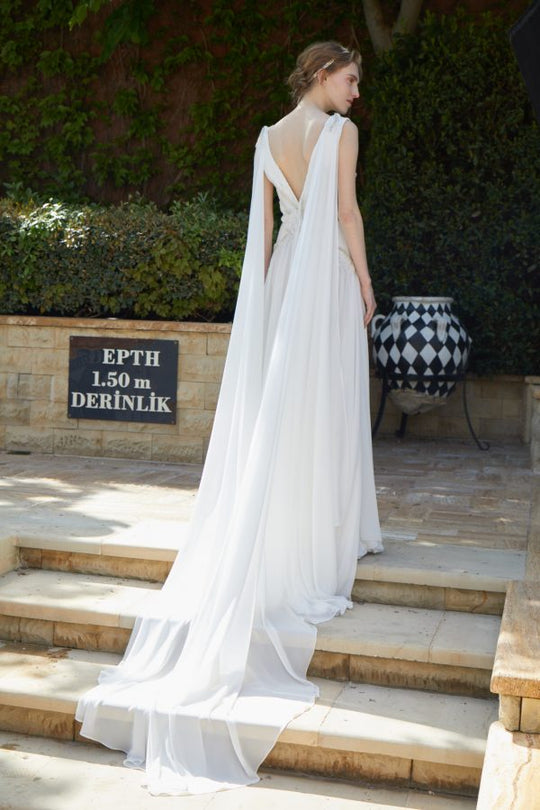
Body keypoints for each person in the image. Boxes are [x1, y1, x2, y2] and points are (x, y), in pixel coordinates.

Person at [76, 40, 383, 796]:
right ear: (322, 76)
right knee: (328, 403)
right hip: (325, 280)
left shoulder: (266, 139)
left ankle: (306, 520)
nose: (356, 93)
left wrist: (277, 294)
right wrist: (366, 281)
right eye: (350, 79)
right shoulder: (339, 134)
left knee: (290, 408)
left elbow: (268, 232)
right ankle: (330, 529)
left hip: (284, 282)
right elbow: (346, 212)